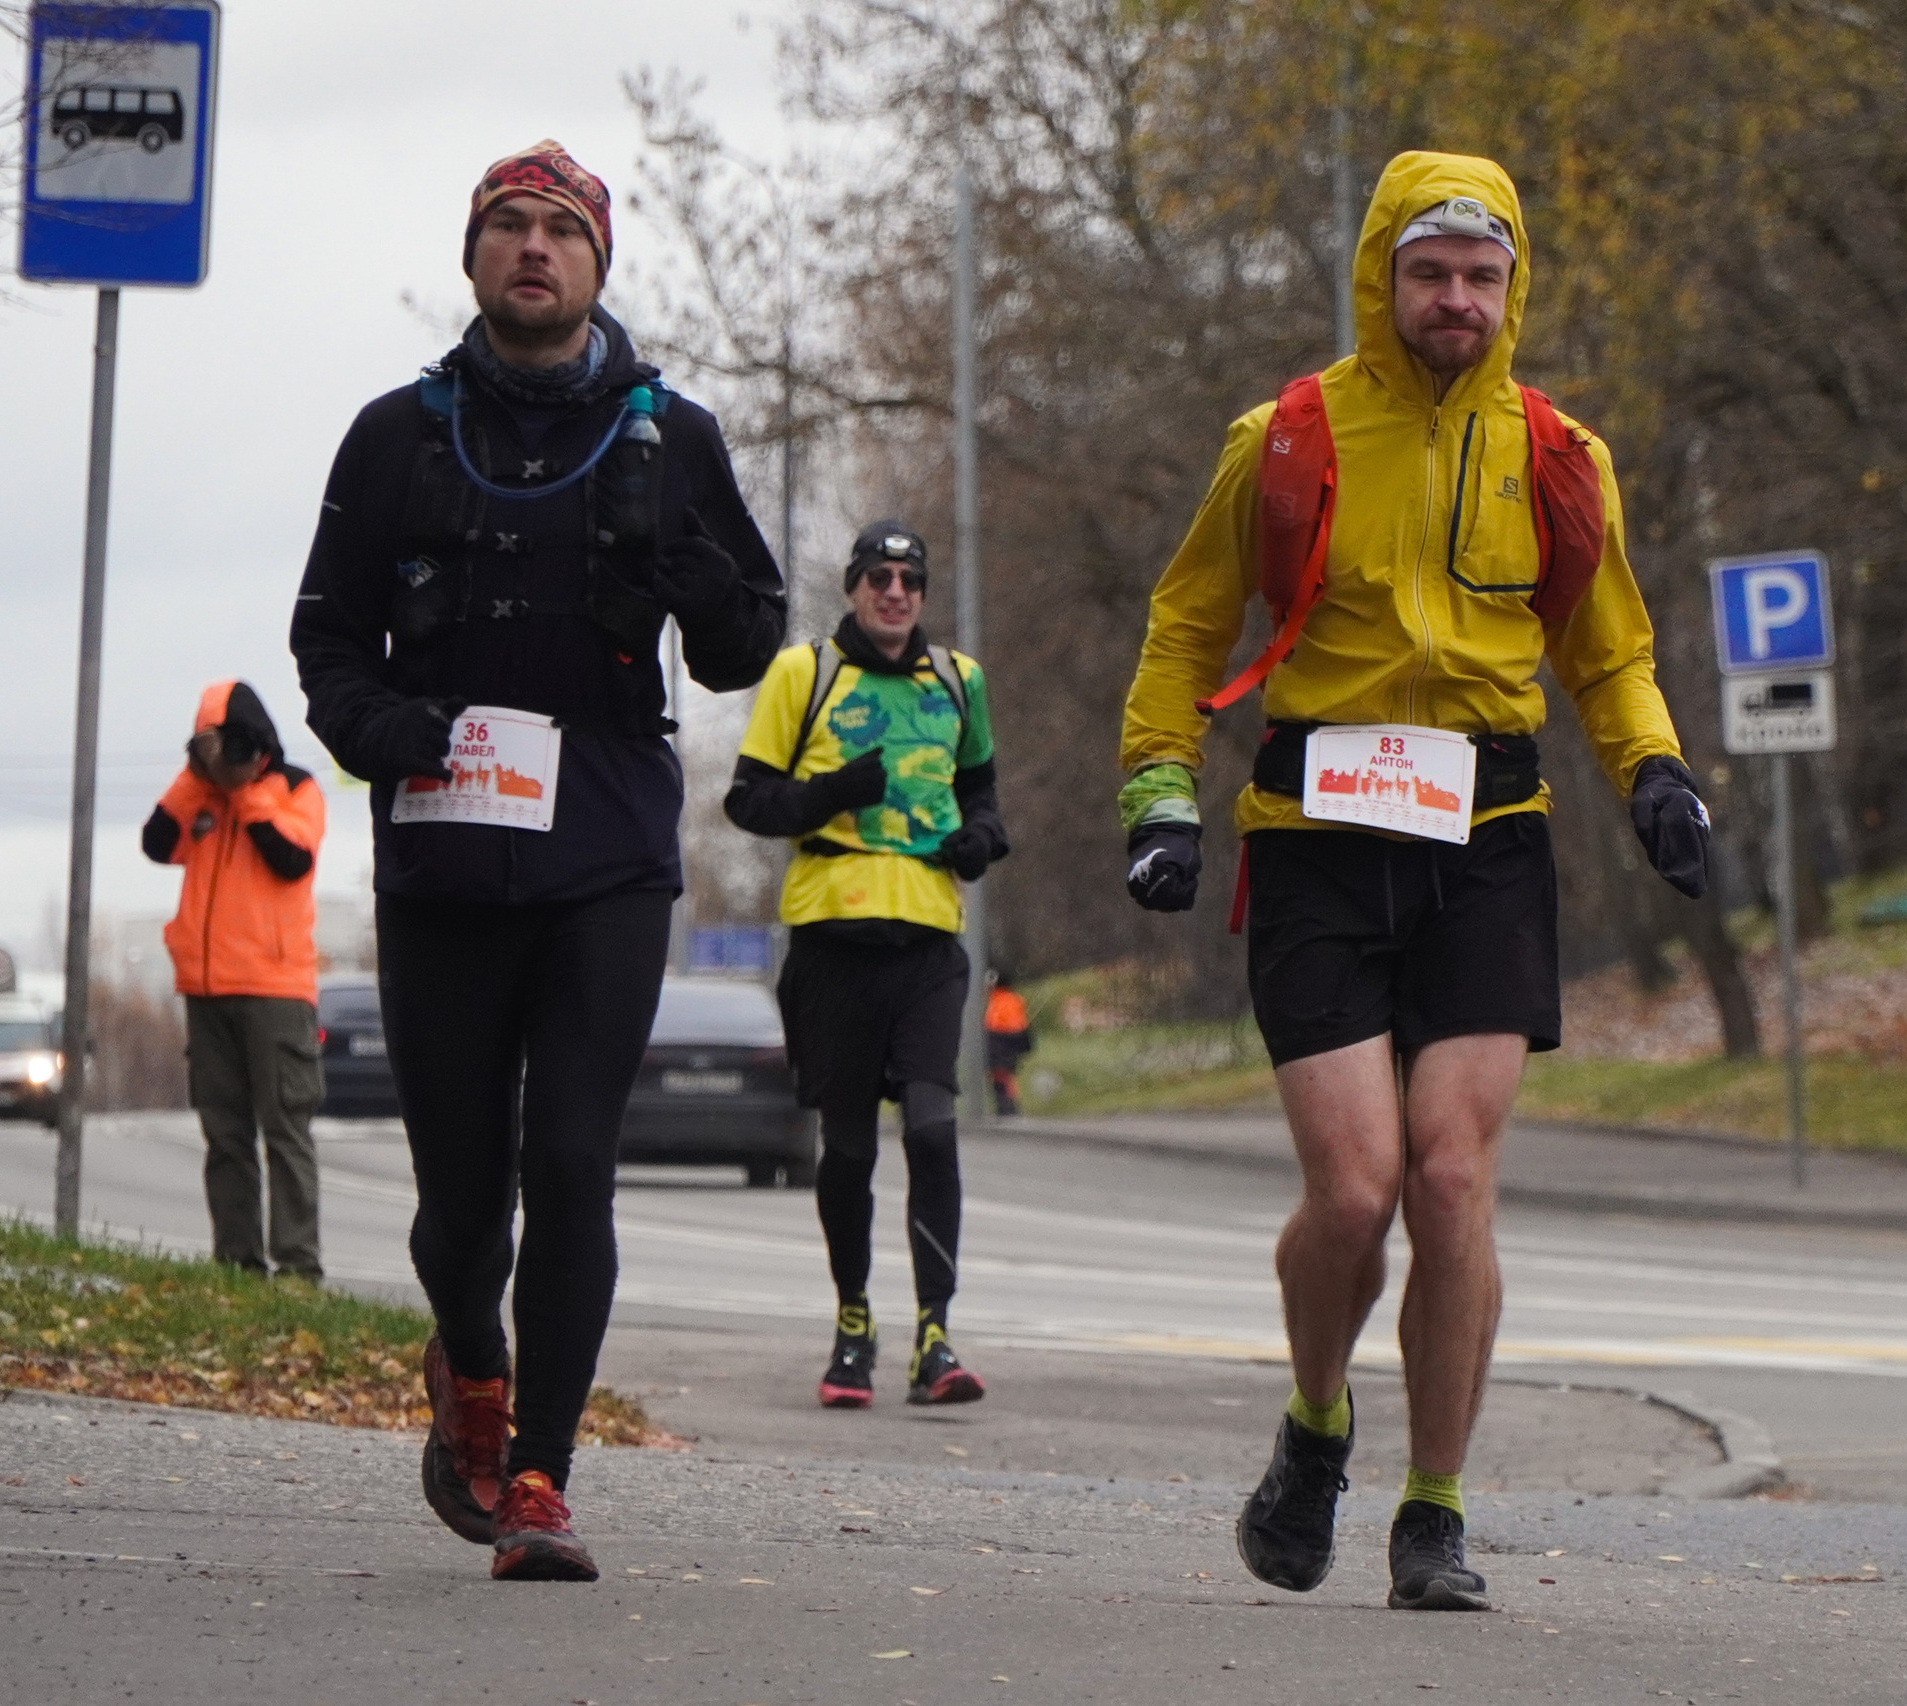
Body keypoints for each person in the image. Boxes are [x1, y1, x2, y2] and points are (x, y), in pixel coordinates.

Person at [1116, 153, 1712, 1611]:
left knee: (1451, 1176)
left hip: (1487, 835)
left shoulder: (1561, 455)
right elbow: (1188, 626)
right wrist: (1158, 796)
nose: (1458, 299)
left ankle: (1433, 1511)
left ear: (1515, 290)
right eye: (1432, 272)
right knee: (1358, 1187)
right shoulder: (1287, 437)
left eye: (1483, 276)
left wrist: (1656, 771)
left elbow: (1607, 649)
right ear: (1383, 278)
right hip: (1316, 835)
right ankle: (1317, 1421)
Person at [290, 140, 784, 1581]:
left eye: (559, 229)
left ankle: (543, 1477)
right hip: (445, 847)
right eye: (506, 224)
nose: (531, 247)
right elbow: (325, 636)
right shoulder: (394, 434)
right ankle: (473, 1365)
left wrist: (689, 574)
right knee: (462, 1196)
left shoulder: (669, 434)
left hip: (607, 846)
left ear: (595, 265)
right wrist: (385, 727)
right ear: (473, 259)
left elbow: (750, 635)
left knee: (572, 1159)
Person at [723, 521, 1007, 1411]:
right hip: (832, 947)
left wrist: (983, 839)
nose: (895, 592)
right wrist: (833, 794)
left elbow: (982, 792)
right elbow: (748, 801)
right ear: (852, 586)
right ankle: (853, 1323)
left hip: (927, 942)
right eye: (879, 576)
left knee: (930, 1128)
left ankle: (936, 1335)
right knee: (845, 1151)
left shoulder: (960, 682)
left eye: (910, 579)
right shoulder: (803, 676)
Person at [142, 680, 329, 1280]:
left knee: (285, 1132)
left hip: (275, 990)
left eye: (228, 746)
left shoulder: (295, 788)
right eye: (205, 748)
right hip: (206, 987)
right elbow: (156, 842)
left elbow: (291, 858)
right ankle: (236, 1265)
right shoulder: (200, 796)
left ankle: (298, 1267)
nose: (219, 761)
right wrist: (199, 777)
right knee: (225, 1136)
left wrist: (246, 791)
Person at [983, 971, 1034, 1117]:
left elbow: (995, 1024)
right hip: (1013, 1040)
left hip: (1000, 1041)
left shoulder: (999, 1001)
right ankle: (1008, 1104)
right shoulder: (1014, 999)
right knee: (1005, 1076)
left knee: (1001, 1076)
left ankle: (1007, 1106)